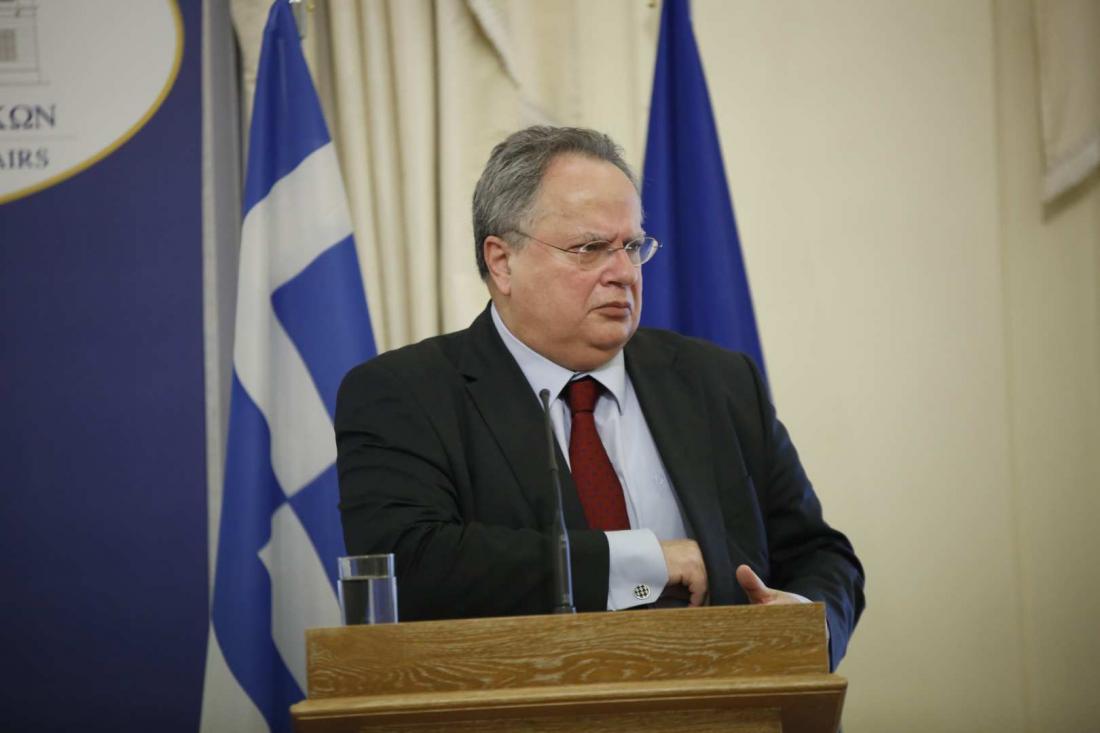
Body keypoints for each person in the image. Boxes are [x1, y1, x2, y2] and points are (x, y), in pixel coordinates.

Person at [336, 126, 864, 668]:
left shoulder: (719, 381)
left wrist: (804, 623)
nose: (623, 273)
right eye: (589, 249)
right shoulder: (405, 394)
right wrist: (642, 561)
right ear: (502, 262)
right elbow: (411, 566)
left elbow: (817, 553)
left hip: (724, 697)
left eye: (632, 247)